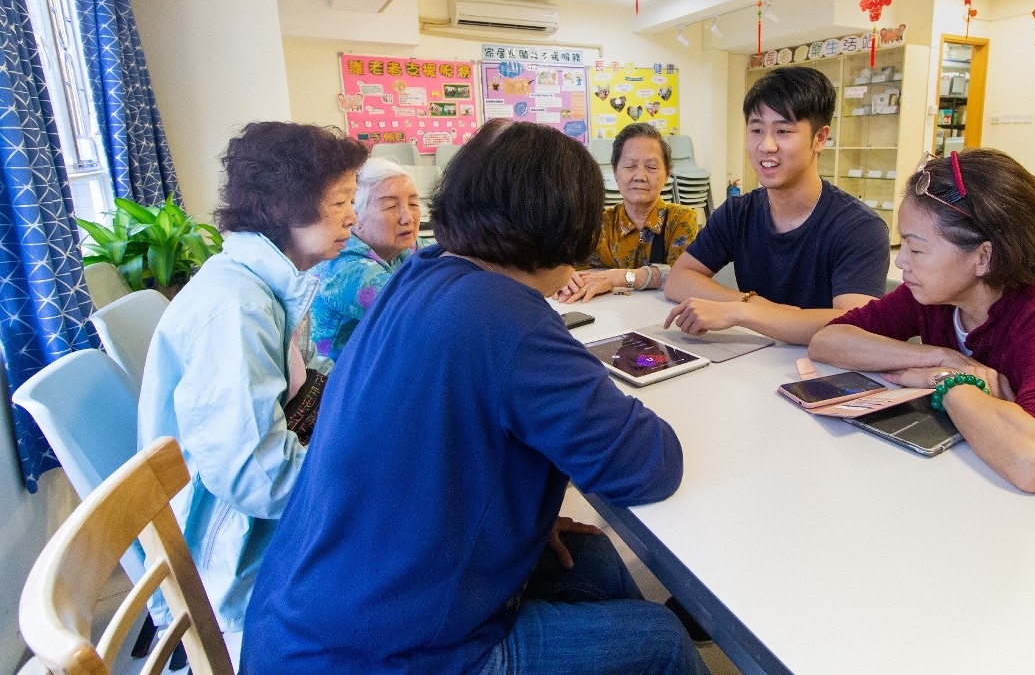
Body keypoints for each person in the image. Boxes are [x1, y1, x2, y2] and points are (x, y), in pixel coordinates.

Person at [241, 121, 707, 675]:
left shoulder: (419, 273)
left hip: (305, 615)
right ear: (563, 230)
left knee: (595, 560)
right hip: (385, 655)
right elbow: (648, 464)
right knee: (659, 638)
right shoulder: (506, 318)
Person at [137, 122, 368, 658]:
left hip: (249, 526)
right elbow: (255, 476)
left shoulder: (264, 284)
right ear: (286, 207)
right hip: (231, 561)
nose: (352, 218)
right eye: (338, 203)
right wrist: (365, 491)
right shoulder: (237, 309)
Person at [808, 148, 1035, 493]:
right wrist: (937, 356)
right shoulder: (936, 294)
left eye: (916, 249)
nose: (901, 262)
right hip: (988, 473)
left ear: (984, 256)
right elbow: (828, 341)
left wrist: (947, 380)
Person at [664, 65, 890, 344]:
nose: (766, 146)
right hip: (752, 362)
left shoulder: (859, 228)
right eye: (756, 129)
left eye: (783, 131)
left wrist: (740, 313)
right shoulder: (737, 213)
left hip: (821, 372)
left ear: (820, 138)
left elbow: (853, 325)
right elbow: (679, 279)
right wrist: (753, 304)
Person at [557, 122, 699, 304]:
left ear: (667, 174)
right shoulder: (599, 223)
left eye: (652, 167)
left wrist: (619, 277)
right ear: (615, 171)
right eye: (630, 166)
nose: (640, 176)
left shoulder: (681, 220)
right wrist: (566, 277)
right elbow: (569, 267)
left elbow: (684, 278)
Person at [310, 157, 421, 362]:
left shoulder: (402, 246)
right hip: (335, 382)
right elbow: (419, 313)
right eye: (390, 207)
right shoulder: (343, 266)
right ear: (356, 215)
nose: (408, 217)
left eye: (413, 203)